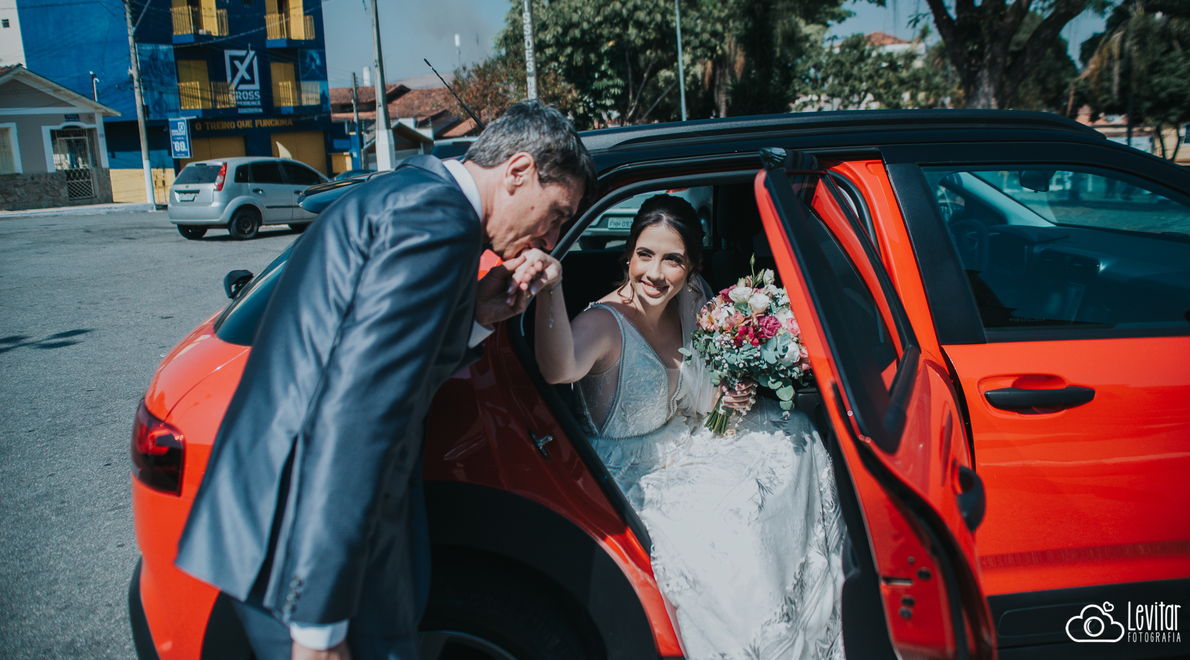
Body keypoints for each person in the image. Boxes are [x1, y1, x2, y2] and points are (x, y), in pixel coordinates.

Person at [175, 102, 596, 660]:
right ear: (518, 171)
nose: (551, 236)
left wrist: (475, 318)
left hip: (326, 533)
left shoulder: (415, 191)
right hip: (306, 547)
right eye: (559, 213)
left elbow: (383, 368)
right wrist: (319, 623)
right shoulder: (439, 222)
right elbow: (358, 415)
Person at [532, 194, 845, 660]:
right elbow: (558, 367)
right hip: (624, 477)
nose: (655, 273)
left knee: (792, 436)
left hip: (687, 440)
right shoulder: (602, 323)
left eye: (672, 259)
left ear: (692, 266)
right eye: (644, 254)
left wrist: (727, 397)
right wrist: (550, 284)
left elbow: (698, 396)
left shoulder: (696, 299)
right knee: (727, 543)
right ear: (629, 255)